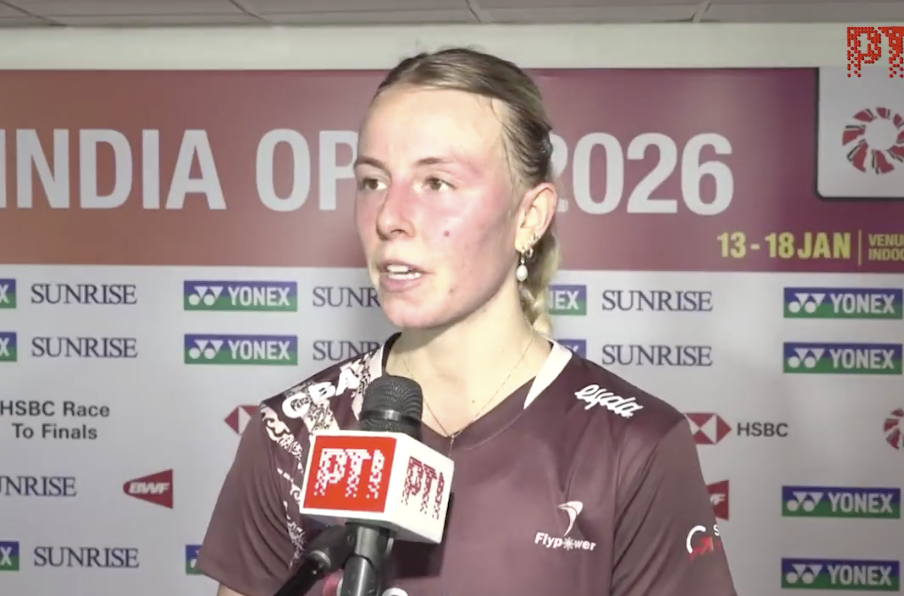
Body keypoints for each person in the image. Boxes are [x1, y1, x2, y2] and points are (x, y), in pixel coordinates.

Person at [196, 47, 738, 596]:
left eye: (436, 182)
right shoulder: (291, 435)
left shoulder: (634, 446)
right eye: (372, 181)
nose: (389, 217)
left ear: (529, 217)